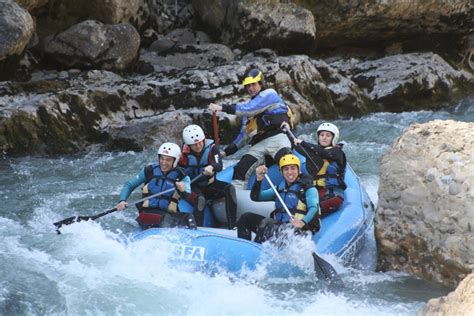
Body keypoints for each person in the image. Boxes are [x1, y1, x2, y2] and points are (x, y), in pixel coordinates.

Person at [208, 68, 292, 189]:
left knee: (287, 161)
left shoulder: (269, 94)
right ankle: (237, 198)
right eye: (248, 85)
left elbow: (251, 108)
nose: (250, 88)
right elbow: (243, 137)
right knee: (241, 168)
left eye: (253, 84)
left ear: (261, 83)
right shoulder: (247, 115)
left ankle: (293, 191)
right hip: (260, 145)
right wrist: (225, 152)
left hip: (278, 138)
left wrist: (222, 108)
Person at [237, 154, 321, 243]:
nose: (289, 172)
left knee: (267, 225)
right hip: (280, 228)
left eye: (293, 168)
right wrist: (259, 180)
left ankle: (258, 252)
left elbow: (314, 208)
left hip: (298, 231)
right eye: (286, 169)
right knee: (246, 218)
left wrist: (302, 222)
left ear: (298, 170)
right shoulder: (279, 189)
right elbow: (255, 197)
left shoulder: (308, 188)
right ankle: (244, 247)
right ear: (281, 172)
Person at [115, 142, 197, 229]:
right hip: (147, 214)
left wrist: (183, 190)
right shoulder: (149, 171)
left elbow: (187, 196)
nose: (164, 163)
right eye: (162, 158)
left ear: (175, 160)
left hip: (167, 214)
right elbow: (129, 185)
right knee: (166, 219)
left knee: (189, 218)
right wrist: (122, 200)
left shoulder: (182, 176)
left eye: (168, 160)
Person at [179, 124, 237, 228]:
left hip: (209, 184)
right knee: (200, 200)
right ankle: (198, 231)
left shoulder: (212, 148)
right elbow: (177, 173)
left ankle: (232, 226)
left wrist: (212, 166)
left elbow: (219, 165)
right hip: (193, 187)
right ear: (188, 145)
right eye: (194, 144)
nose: (198, 146)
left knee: (230, 189)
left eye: (200, 142)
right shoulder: (182, 155)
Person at [290, 122, 347, 216]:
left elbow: (326, 153)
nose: (324, 137)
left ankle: (309, 223)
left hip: (333, 194)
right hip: (317, 192)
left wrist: (303, 143)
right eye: (322, 135)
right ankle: (296, 228)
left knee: (308, 207)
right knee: (295, 205)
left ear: (334, 138)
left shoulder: (337, 152)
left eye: (328, 135)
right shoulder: (315, 153)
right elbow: (299, 147)